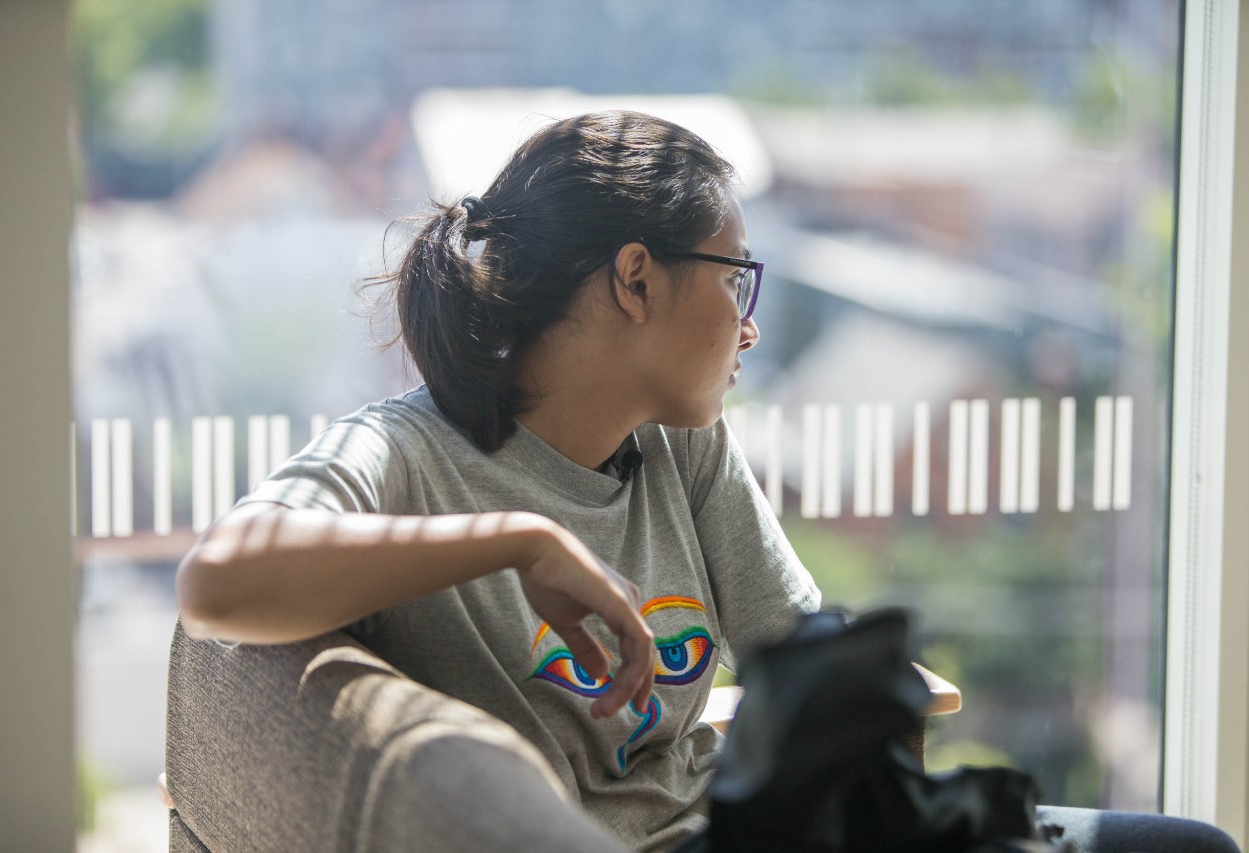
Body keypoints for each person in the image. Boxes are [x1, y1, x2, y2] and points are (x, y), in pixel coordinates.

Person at [175, 111, 1238, 853]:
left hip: (742, 830)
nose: (750, 321)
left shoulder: (679, 447)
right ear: (636, 279)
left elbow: (799, 653)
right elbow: (215, 584)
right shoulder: (408, 453)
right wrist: (519, 542)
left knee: (1184, 846)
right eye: (736, 276)